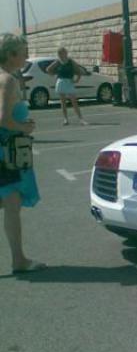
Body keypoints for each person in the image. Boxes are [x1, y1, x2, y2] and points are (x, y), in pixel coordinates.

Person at [0, 33, 45, 273]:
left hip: (4, 151)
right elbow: (3, 119)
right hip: (8, 153)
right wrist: (24, 126)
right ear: (10, 54)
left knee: (8, 203)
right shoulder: (8, 80)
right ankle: (19, 260)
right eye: (22, 52)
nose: (26, 56)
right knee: (12, 206)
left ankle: (19, 258)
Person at [46, 47, 88, 126]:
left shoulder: (70, 61)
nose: (62, 55)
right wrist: (54, 75)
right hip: (61, 82)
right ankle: (65, 119)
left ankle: (81, 119)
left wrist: (76, 80)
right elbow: (48, 69)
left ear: (66, 53)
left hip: (69, 82)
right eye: (60, 53)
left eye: (63, 52)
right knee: (63, 102)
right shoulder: (58, 62)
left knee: (74, 102)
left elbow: (78, 71)